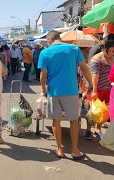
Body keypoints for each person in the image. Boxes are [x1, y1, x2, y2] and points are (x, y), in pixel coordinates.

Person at [38, 31, 92, 160]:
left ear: (48, 40)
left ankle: (59, 149)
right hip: (71, 91)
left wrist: (43, 89)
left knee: (56, 120)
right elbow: (84, 68)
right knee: (74, 120)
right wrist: (91, 84)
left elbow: (43, 75)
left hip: (54, 92)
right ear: (59, 38)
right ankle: (74, 151)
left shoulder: (44, 52)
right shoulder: (74, 49)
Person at [87, 40, 114, 139]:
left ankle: (98, 129)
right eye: (109, 51)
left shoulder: (112, 58)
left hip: (108, 90)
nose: (111, 53)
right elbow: (94, 76)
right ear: (104, 49)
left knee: (103, 112)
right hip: (97, 89)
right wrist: (94, 90)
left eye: (113, 51)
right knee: (92, 111)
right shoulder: (97, 59)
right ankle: (88, 130)